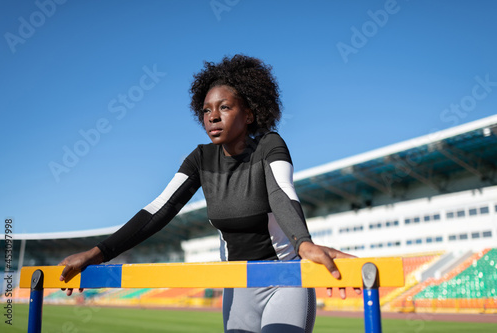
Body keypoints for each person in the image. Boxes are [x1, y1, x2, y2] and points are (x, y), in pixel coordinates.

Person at [59, 54, 360, 333]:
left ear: (250, 114)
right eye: (206, 110)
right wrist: (97, 253)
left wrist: (303, 243)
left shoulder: (270, 145)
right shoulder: (201, 159)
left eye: (224, 107)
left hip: (285, 279)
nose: (212, 117)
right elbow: (159, 209)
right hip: (236, 283)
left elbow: (282, 193)